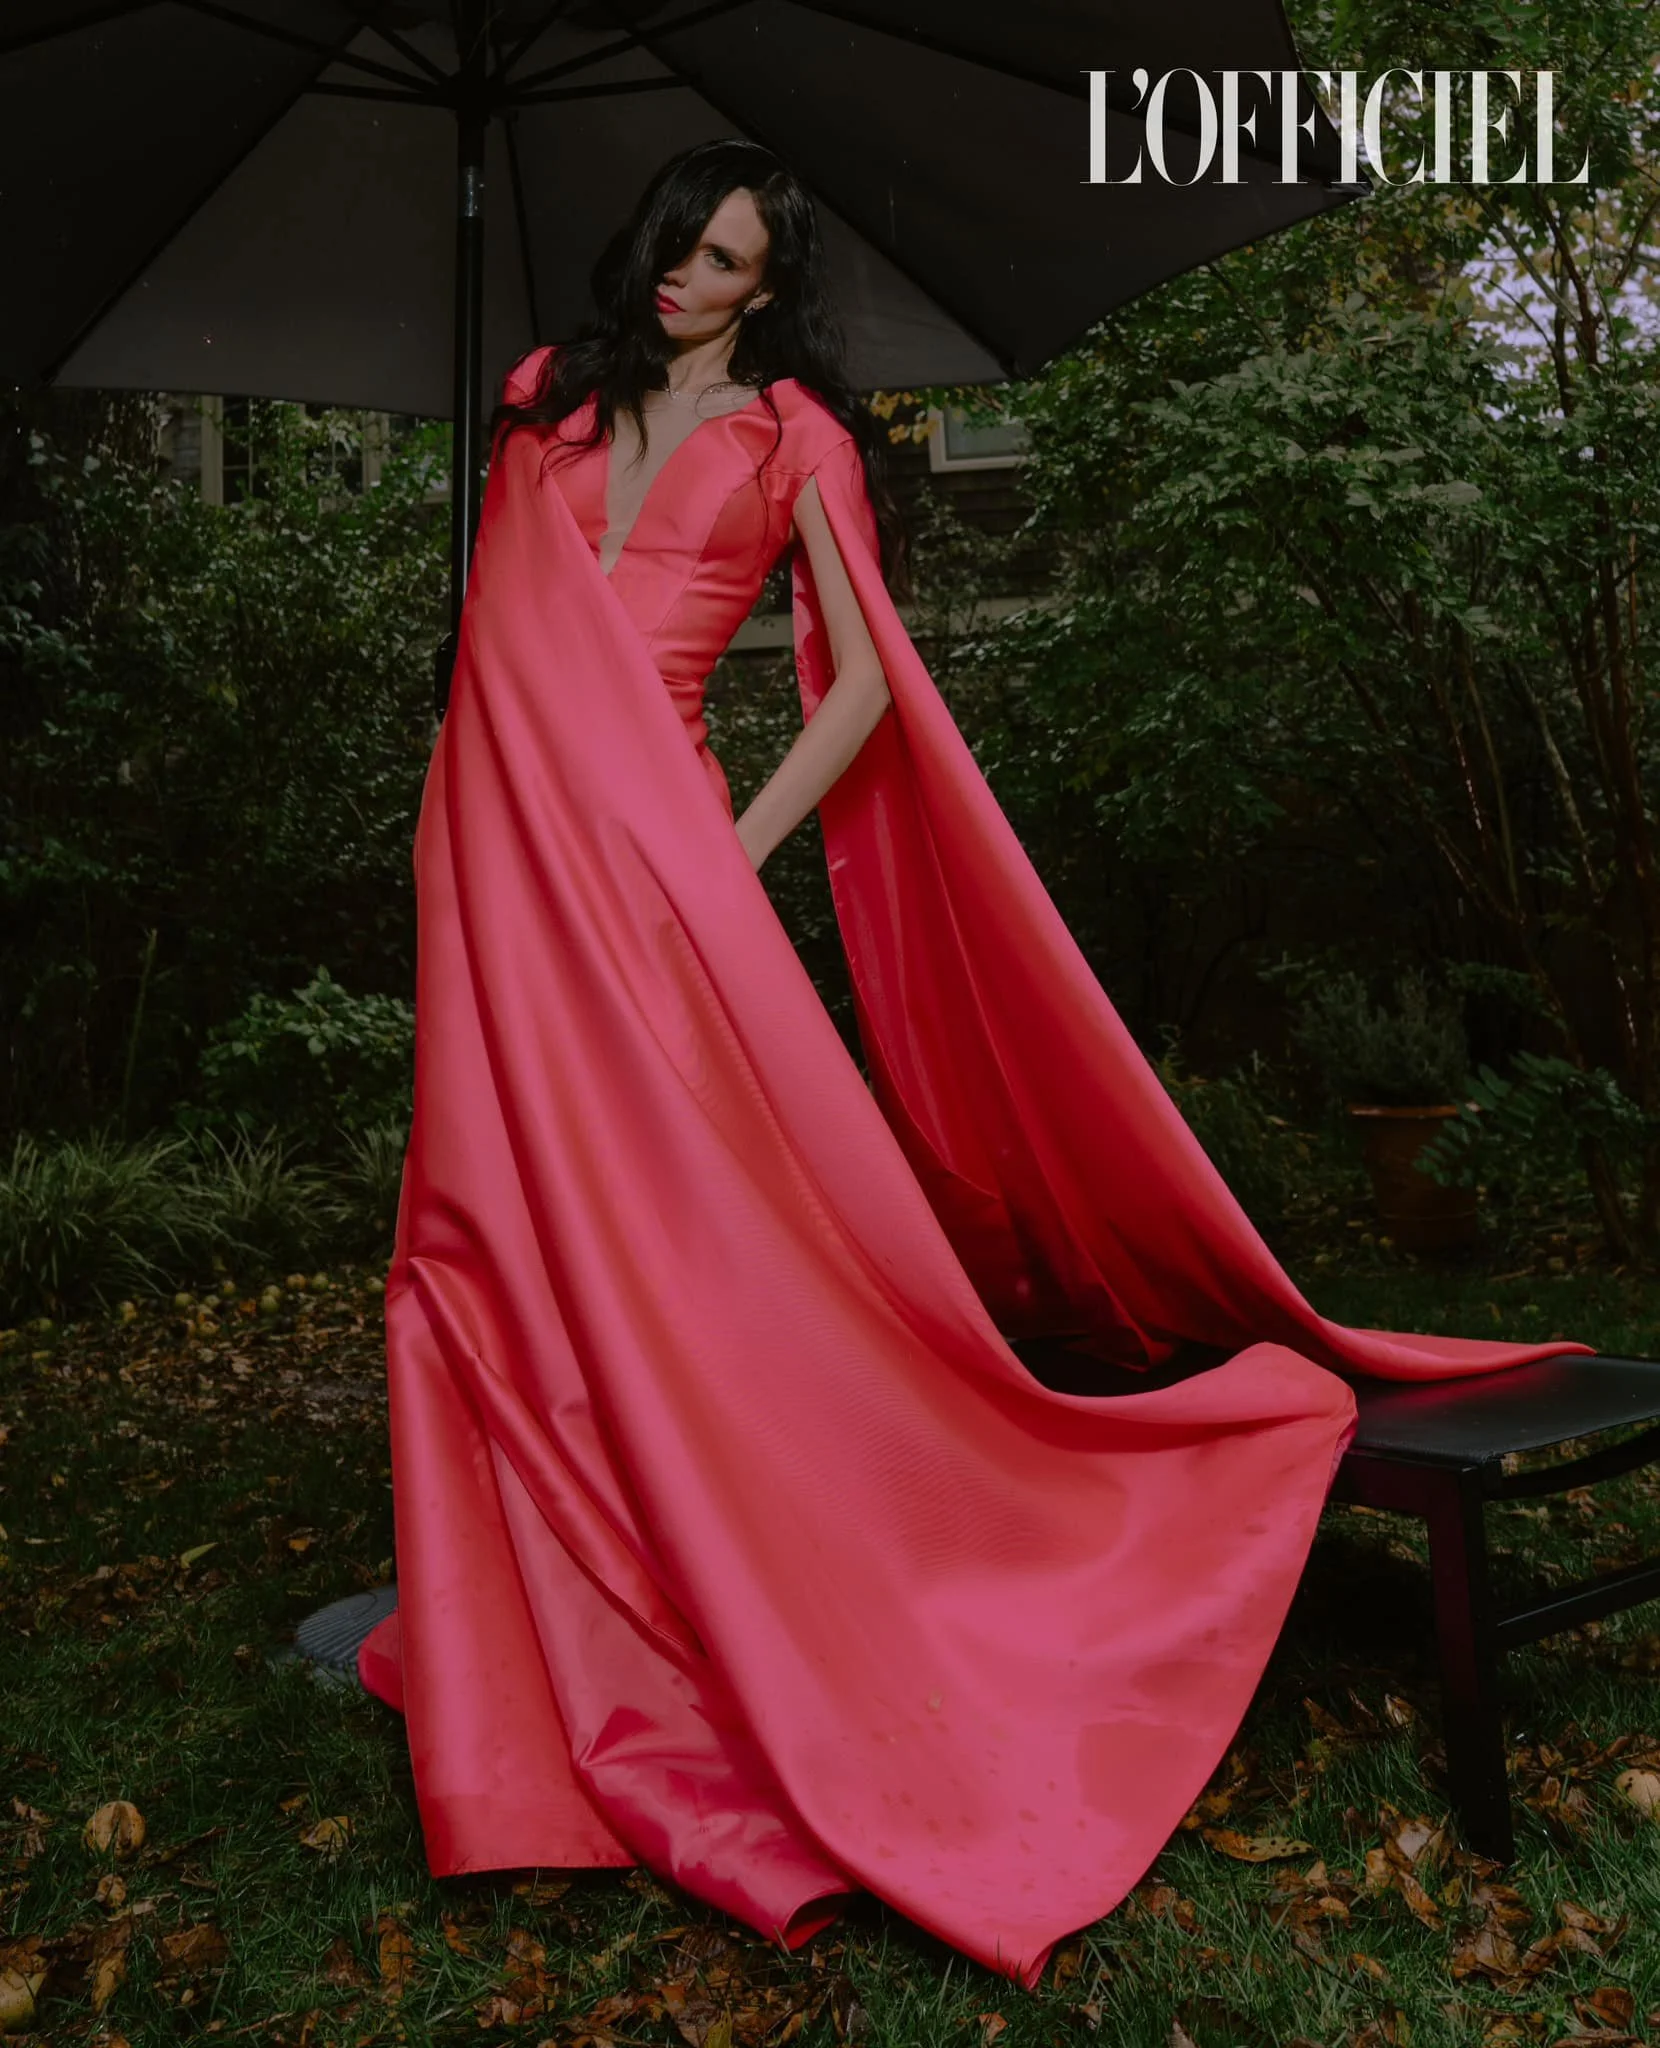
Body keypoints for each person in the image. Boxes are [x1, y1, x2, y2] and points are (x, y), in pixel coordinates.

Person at [357, 137, 1586, 1989]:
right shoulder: (542, 403)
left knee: (677, 1235)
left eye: (727, 258)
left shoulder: (796, 442)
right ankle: (522, 1630)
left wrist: (719, 857)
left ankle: (748, 1576)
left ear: (771, 284)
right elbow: (504, 660)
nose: (689, 275)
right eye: (675, 247)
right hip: (492, 870)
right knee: (482, 1228)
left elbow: (856, 686)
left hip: (662, 875)